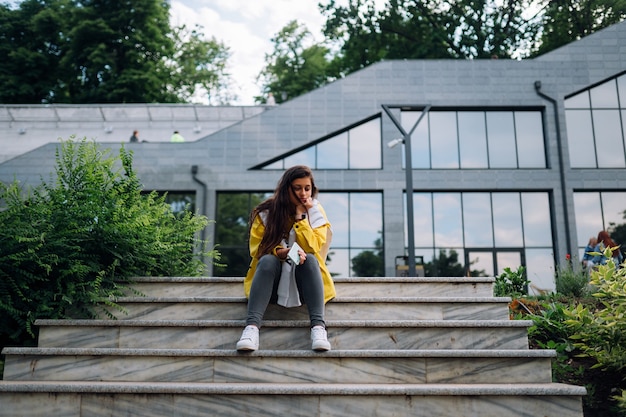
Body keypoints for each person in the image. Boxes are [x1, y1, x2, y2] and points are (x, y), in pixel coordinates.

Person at [236, 165, 335, 352]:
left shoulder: (315, 211)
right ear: (286, 188)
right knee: (266, 260)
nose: (303, 193)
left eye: (307, 188)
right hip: (271, 284)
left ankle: (318, 328)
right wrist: (281, 252)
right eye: (297, 188)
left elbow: (314, 247)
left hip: (305, 284)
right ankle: (251, 329)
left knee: (311, 259)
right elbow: (256, 249)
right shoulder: (265, 212)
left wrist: (300, 218)